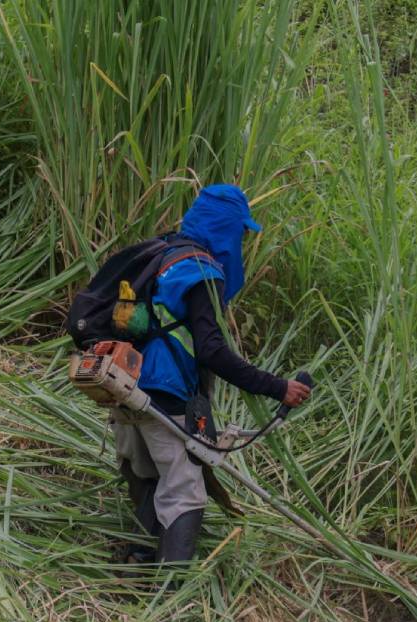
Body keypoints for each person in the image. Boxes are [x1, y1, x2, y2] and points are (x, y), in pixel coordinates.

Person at [110, 184, 310, 568]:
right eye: (240, 233)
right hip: (165, 393)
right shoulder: (200, 270)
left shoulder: (160, 255)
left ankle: (137, 565)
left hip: (121, 385)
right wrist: (278, 387)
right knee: (185, 493)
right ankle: (171, 598)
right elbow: (212, 351)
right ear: (225, 228)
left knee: (149, 476)